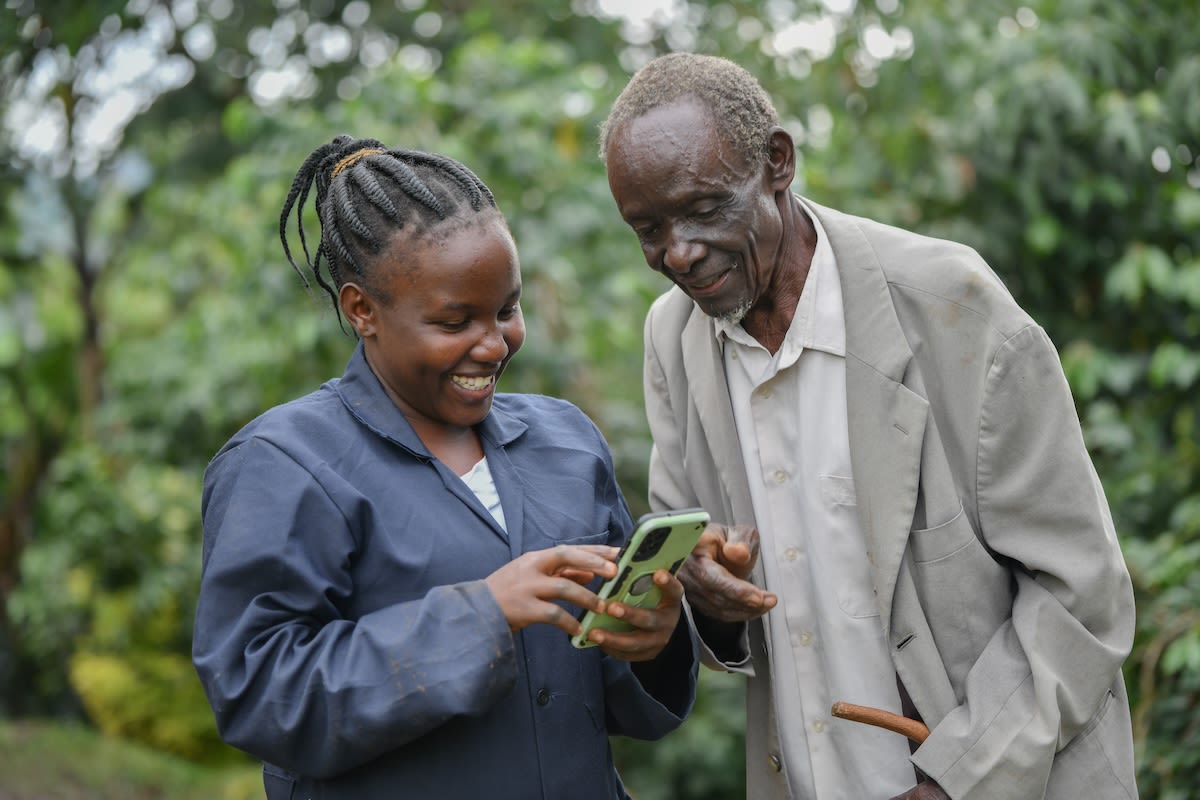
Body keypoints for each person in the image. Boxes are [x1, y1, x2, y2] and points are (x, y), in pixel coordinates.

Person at [598, 52, 1138, 800]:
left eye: (703, 208)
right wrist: (708, 598)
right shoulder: (674, 338)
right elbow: (701, 577)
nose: (679, 253)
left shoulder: (955, 307)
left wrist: (958, 780)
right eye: (648, 228)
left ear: (776, 164)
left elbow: (1084, 596)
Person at [191, 135, 698, 799]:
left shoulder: (565, 443)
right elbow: (260, 691)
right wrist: (484, 614)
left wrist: (650, 637)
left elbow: (603, 697)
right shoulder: (285, 465)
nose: (494, 343)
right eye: (455, 320)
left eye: (507, 310)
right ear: (361, 310)